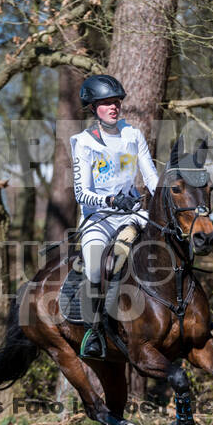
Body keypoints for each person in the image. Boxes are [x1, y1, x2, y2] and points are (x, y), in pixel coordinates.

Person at [70, 74, 159, 358]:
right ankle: (94, 332)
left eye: (116, 102)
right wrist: (109, 199)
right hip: (98, 219)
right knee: (96, 268)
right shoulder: (83, 143)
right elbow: (81, 193)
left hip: (132, 216)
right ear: (93, 107)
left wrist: (168, 196)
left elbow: (152, 178)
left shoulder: (133, 135)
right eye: (106, 103)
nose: (113, 107)